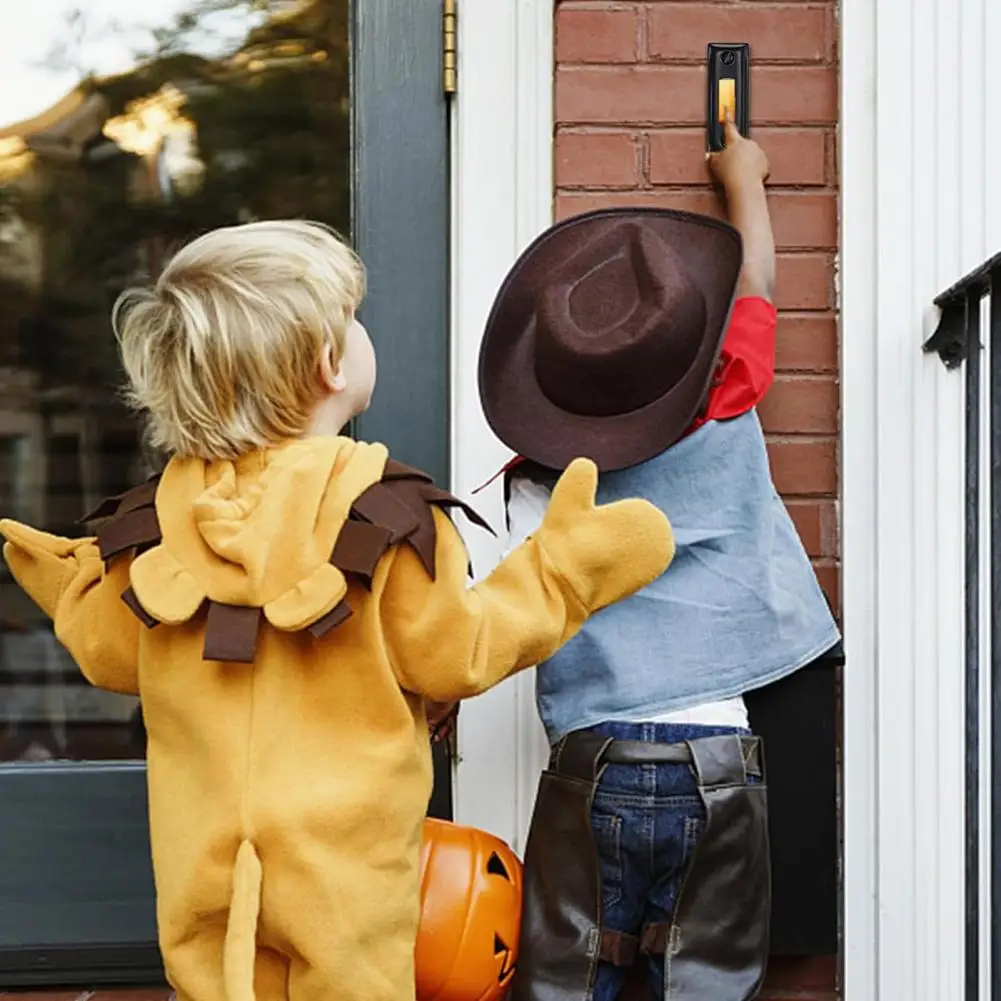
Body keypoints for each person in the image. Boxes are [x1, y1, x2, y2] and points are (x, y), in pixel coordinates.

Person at [0, 219, 675, 1001]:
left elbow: (111, 651)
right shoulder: (383, 514)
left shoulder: (154, 525)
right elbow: (453, 653)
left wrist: (70, 582)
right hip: (343, 874)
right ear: (329, 362)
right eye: (354, 318)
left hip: (201, 868)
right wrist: (562, 571)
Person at [473, 117, 842, 1001]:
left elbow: (487, 607)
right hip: (720, 754)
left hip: (589, 761)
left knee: (573, 966)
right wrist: (743, 178)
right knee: (707, 969)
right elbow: (752, 282)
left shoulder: (534, 480)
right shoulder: (728, 395)